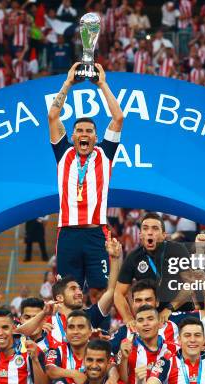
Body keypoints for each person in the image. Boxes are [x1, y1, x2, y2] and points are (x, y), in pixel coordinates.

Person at [48, 62, 124, 299]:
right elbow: (53, 115)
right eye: (79, 131)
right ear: (72, 136)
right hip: (68, 234)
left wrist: (102, 84)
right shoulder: (63, 153)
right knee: (67, 291)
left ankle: (98, 332)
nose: (83, 134)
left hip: (95, 233)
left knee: (100, 290)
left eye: (89, 131)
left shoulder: (105, 153)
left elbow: (118, 117)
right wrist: (68, 82)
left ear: (96, 137)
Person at [18, 234, 122, 343]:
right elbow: (19, 333)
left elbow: (110, 291)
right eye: (73, 289)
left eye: (79, 289)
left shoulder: (89, 315)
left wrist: (114, 259)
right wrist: (42, 315)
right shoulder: (47, 322)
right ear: (60, 297)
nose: (79, 292)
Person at [114, 213, 202, 328]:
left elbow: (190, 284)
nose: (150, 232)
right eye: (145, 228)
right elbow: (118, 293)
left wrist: (169, 309)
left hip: (180, 313)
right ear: (140, 234)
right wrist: (128, 318)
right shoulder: (133, 257)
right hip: (150, 318)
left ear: (164, 235)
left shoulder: (177, 250)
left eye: (155, 228)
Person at [33, 339, 141, 384]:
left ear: (108, 363)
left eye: (99, 361)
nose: (94, 365)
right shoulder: (68, 383)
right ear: (84, 360)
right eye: (90, 360)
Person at [117, 304, 179, 384]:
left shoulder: (174, 349)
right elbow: (123, 382)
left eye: (150, 319)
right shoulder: (127, 346)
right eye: (140, 320)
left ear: (159, 323)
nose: (145, 323)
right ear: (136, 326)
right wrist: (123, 359)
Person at [110, 279, 179, 353]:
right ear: (133, 303)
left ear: (157, 302)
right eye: (138, 300)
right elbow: (106, 354)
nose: (143, 304)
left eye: (148, 300)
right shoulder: (125, 331)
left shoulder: (176, 323)